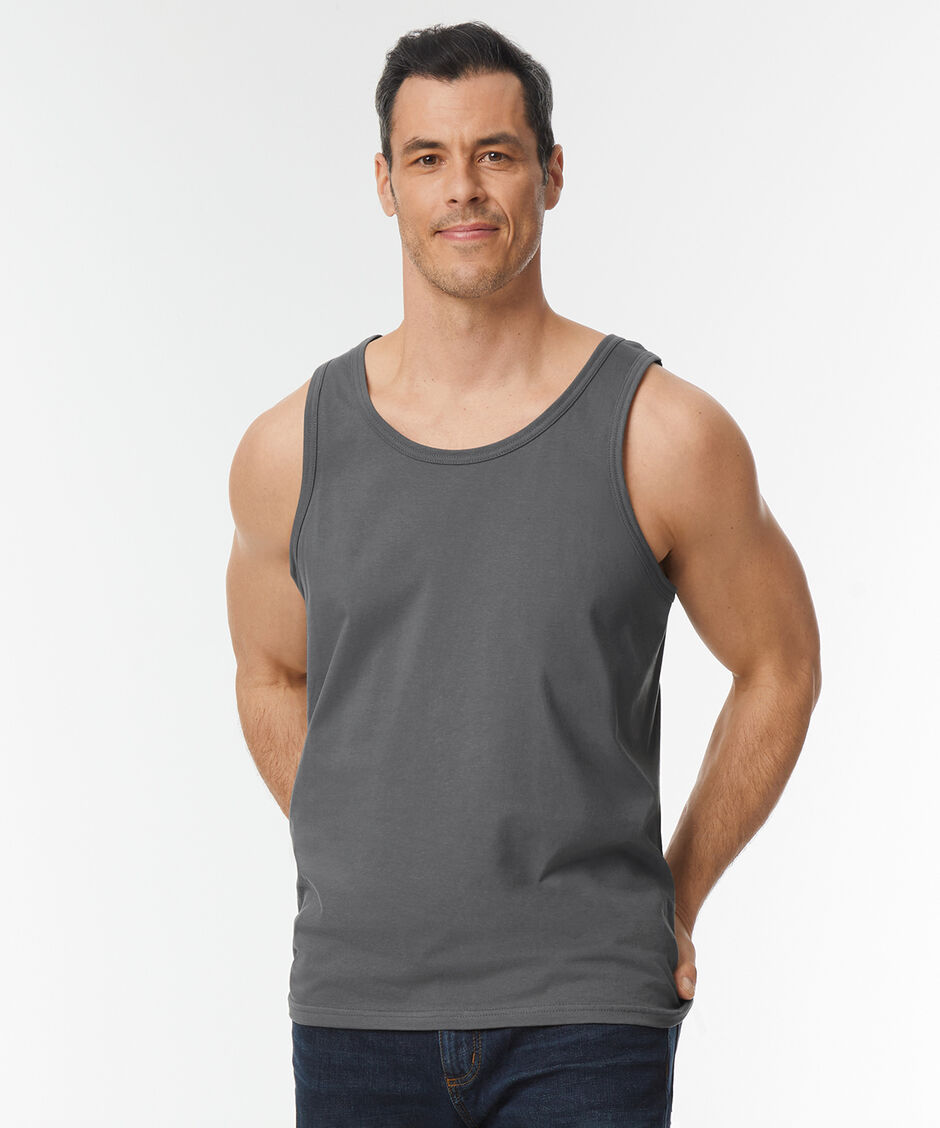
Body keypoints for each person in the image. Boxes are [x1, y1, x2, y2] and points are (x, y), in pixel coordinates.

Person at [225, 19, 822, 1127]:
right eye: (428, 157)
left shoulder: (663, 434)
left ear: (550, 173)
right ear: (385, 184)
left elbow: (781, 665)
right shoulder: (287, 450)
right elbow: (268, 670)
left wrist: (678, 893)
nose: (463, 188)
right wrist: (360, 850)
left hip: (586, 1011)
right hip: (357, 1012)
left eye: (494, 153)